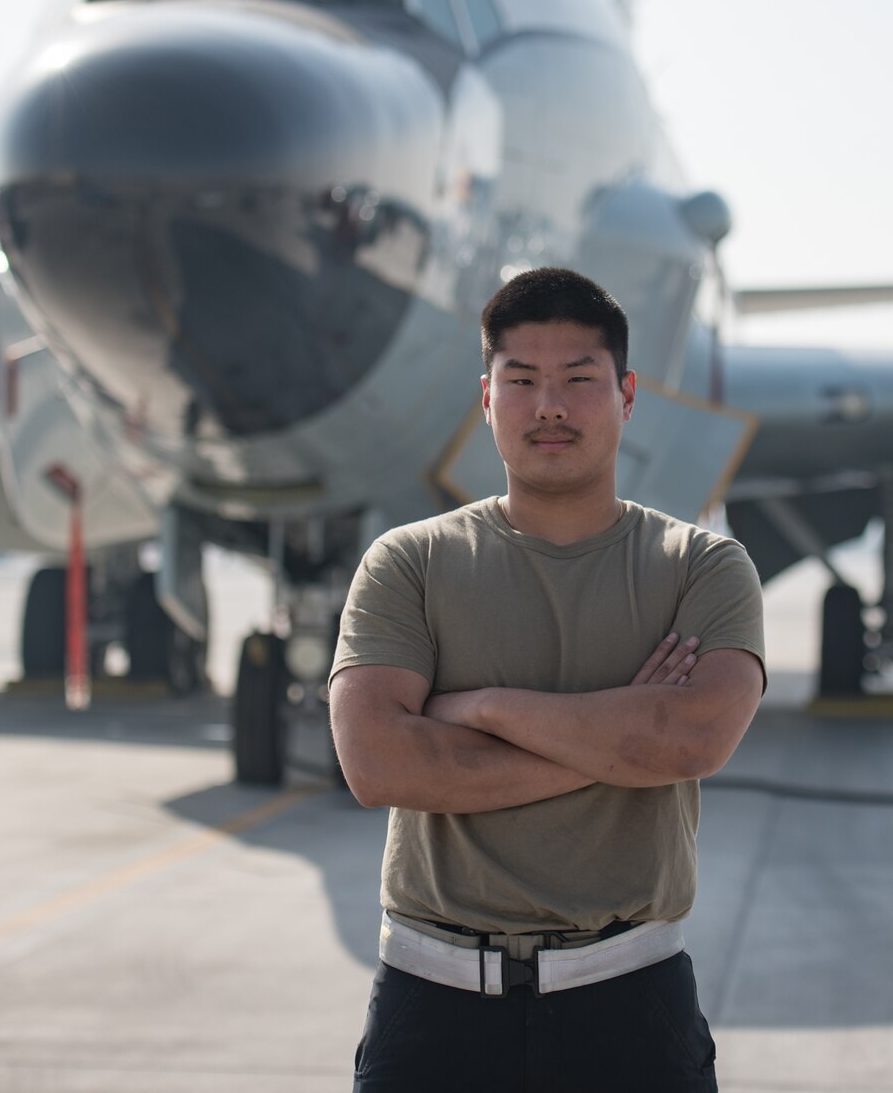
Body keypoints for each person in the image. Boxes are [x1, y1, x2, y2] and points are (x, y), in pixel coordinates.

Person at [328, 266, 766, 1092]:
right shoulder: (408, 563)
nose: (550, 406)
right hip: (434, 1009)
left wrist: (484, 708)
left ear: (628, 394)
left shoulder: (701, 567)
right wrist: (622, 743)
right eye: (521, 381)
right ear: (487, 399)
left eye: (578, 381)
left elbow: (695, 738)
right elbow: (380, 766)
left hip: (632, 1007)